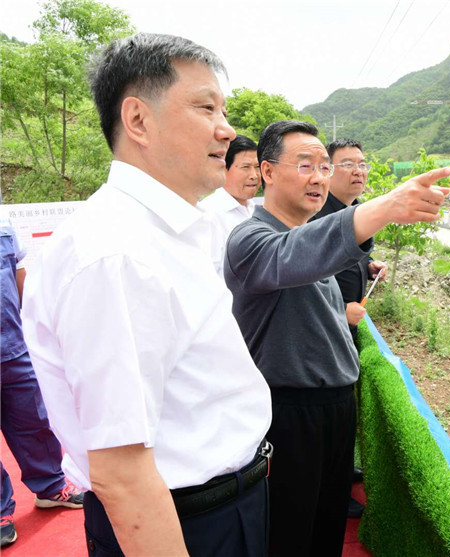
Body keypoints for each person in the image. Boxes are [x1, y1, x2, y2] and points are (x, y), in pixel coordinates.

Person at [21, 33, 272, 557]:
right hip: (183, 523)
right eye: (206, 107)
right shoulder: (116, 253)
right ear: (138, 120)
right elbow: (122, 473)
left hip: (222, 506)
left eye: (224, 110)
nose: (227, 129)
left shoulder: (170, 230)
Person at [224, 120, 450, 557]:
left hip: (334, 408)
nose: (319, 177)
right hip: (288, 414)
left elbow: (314, 253)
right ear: (267, 172)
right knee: (289, 535)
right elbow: (294, 255)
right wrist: (385, 207)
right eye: (305, 165)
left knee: (326, 529)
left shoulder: (306, 236)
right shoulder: (250, 239)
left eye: (325, 167)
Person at [309, 138, 386, 519]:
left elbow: (342, 265)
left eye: (362, 163)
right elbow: (304, 282)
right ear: (328, 170)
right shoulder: (319, 218)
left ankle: (341, 473)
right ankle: (333, 493)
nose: (359, 171)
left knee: (344, 409)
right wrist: (341, 312)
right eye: (348, 164)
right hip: (323, 335)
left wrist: (368, 268)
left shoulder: (352, 213)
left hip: (344, 330)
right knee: (330, 414)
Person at [1, 223, 85, 548]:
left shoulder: (4, 232)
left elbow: (20, 281)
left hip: (13, 348)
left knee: (34, 421)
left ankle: (51, 487)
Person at [199, 134, 260, 238]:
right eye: (245, 167)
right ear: (223, 168)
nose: (254, 175)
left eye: (257, 167)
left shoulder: (256, 209)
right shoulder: (209, 215)